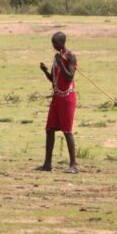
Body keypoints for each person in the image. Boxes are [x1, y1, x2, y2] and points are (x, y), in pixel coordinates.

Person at [38, 31, 79, 174]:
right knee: (49, 129)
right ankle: (47, 164)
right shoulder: (56, 58)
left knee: (67, 131)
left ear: (62, 42)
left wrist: (61, 62)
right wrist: (45, 71)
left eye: (56, 43)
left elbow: (69, 78)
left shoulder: (70, 56)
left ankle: (73, 164)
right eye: (52, 43)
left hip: (67, 98)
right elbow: (54, 80)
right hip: (57, 97)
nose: (54, 45)